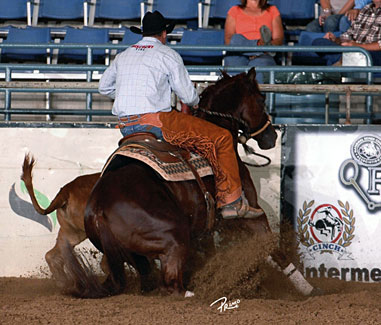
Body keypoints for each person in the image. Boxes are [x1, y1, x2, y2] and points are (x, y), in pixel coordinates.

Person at [98, 11, 263, 220]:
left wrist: (124, 96)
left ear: (142, 33)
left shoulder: (123, 56)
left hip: (126, 126)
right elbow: (189, 96)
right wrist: (195, 103)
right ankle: (231, 202)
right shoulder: (167, 55)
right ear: (164, 33)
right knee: (221, 138)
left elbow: (104, 88)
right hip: (158, 122)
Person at [224, 0, 284, 84]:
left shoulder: (272, 10)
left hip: (263, 55)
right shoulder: (234, 11)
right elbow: (228, 40)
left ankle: (261, 47)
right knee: (235, 39)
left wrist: (268, 48)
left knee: (259, 68)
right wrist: (256, 49)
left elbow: (278, 39)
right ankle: (259, 45)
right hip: (239, 52)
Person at [311, 0, 381, 66]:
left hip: (371, 52)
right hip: (353, 50)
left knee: (369, 56)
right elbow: (350, 34)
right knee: (319, 42)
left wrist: (358, 46)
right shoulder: (365, 9)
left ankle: (342, 62)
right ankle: (344, 61)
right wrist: (336, 39)